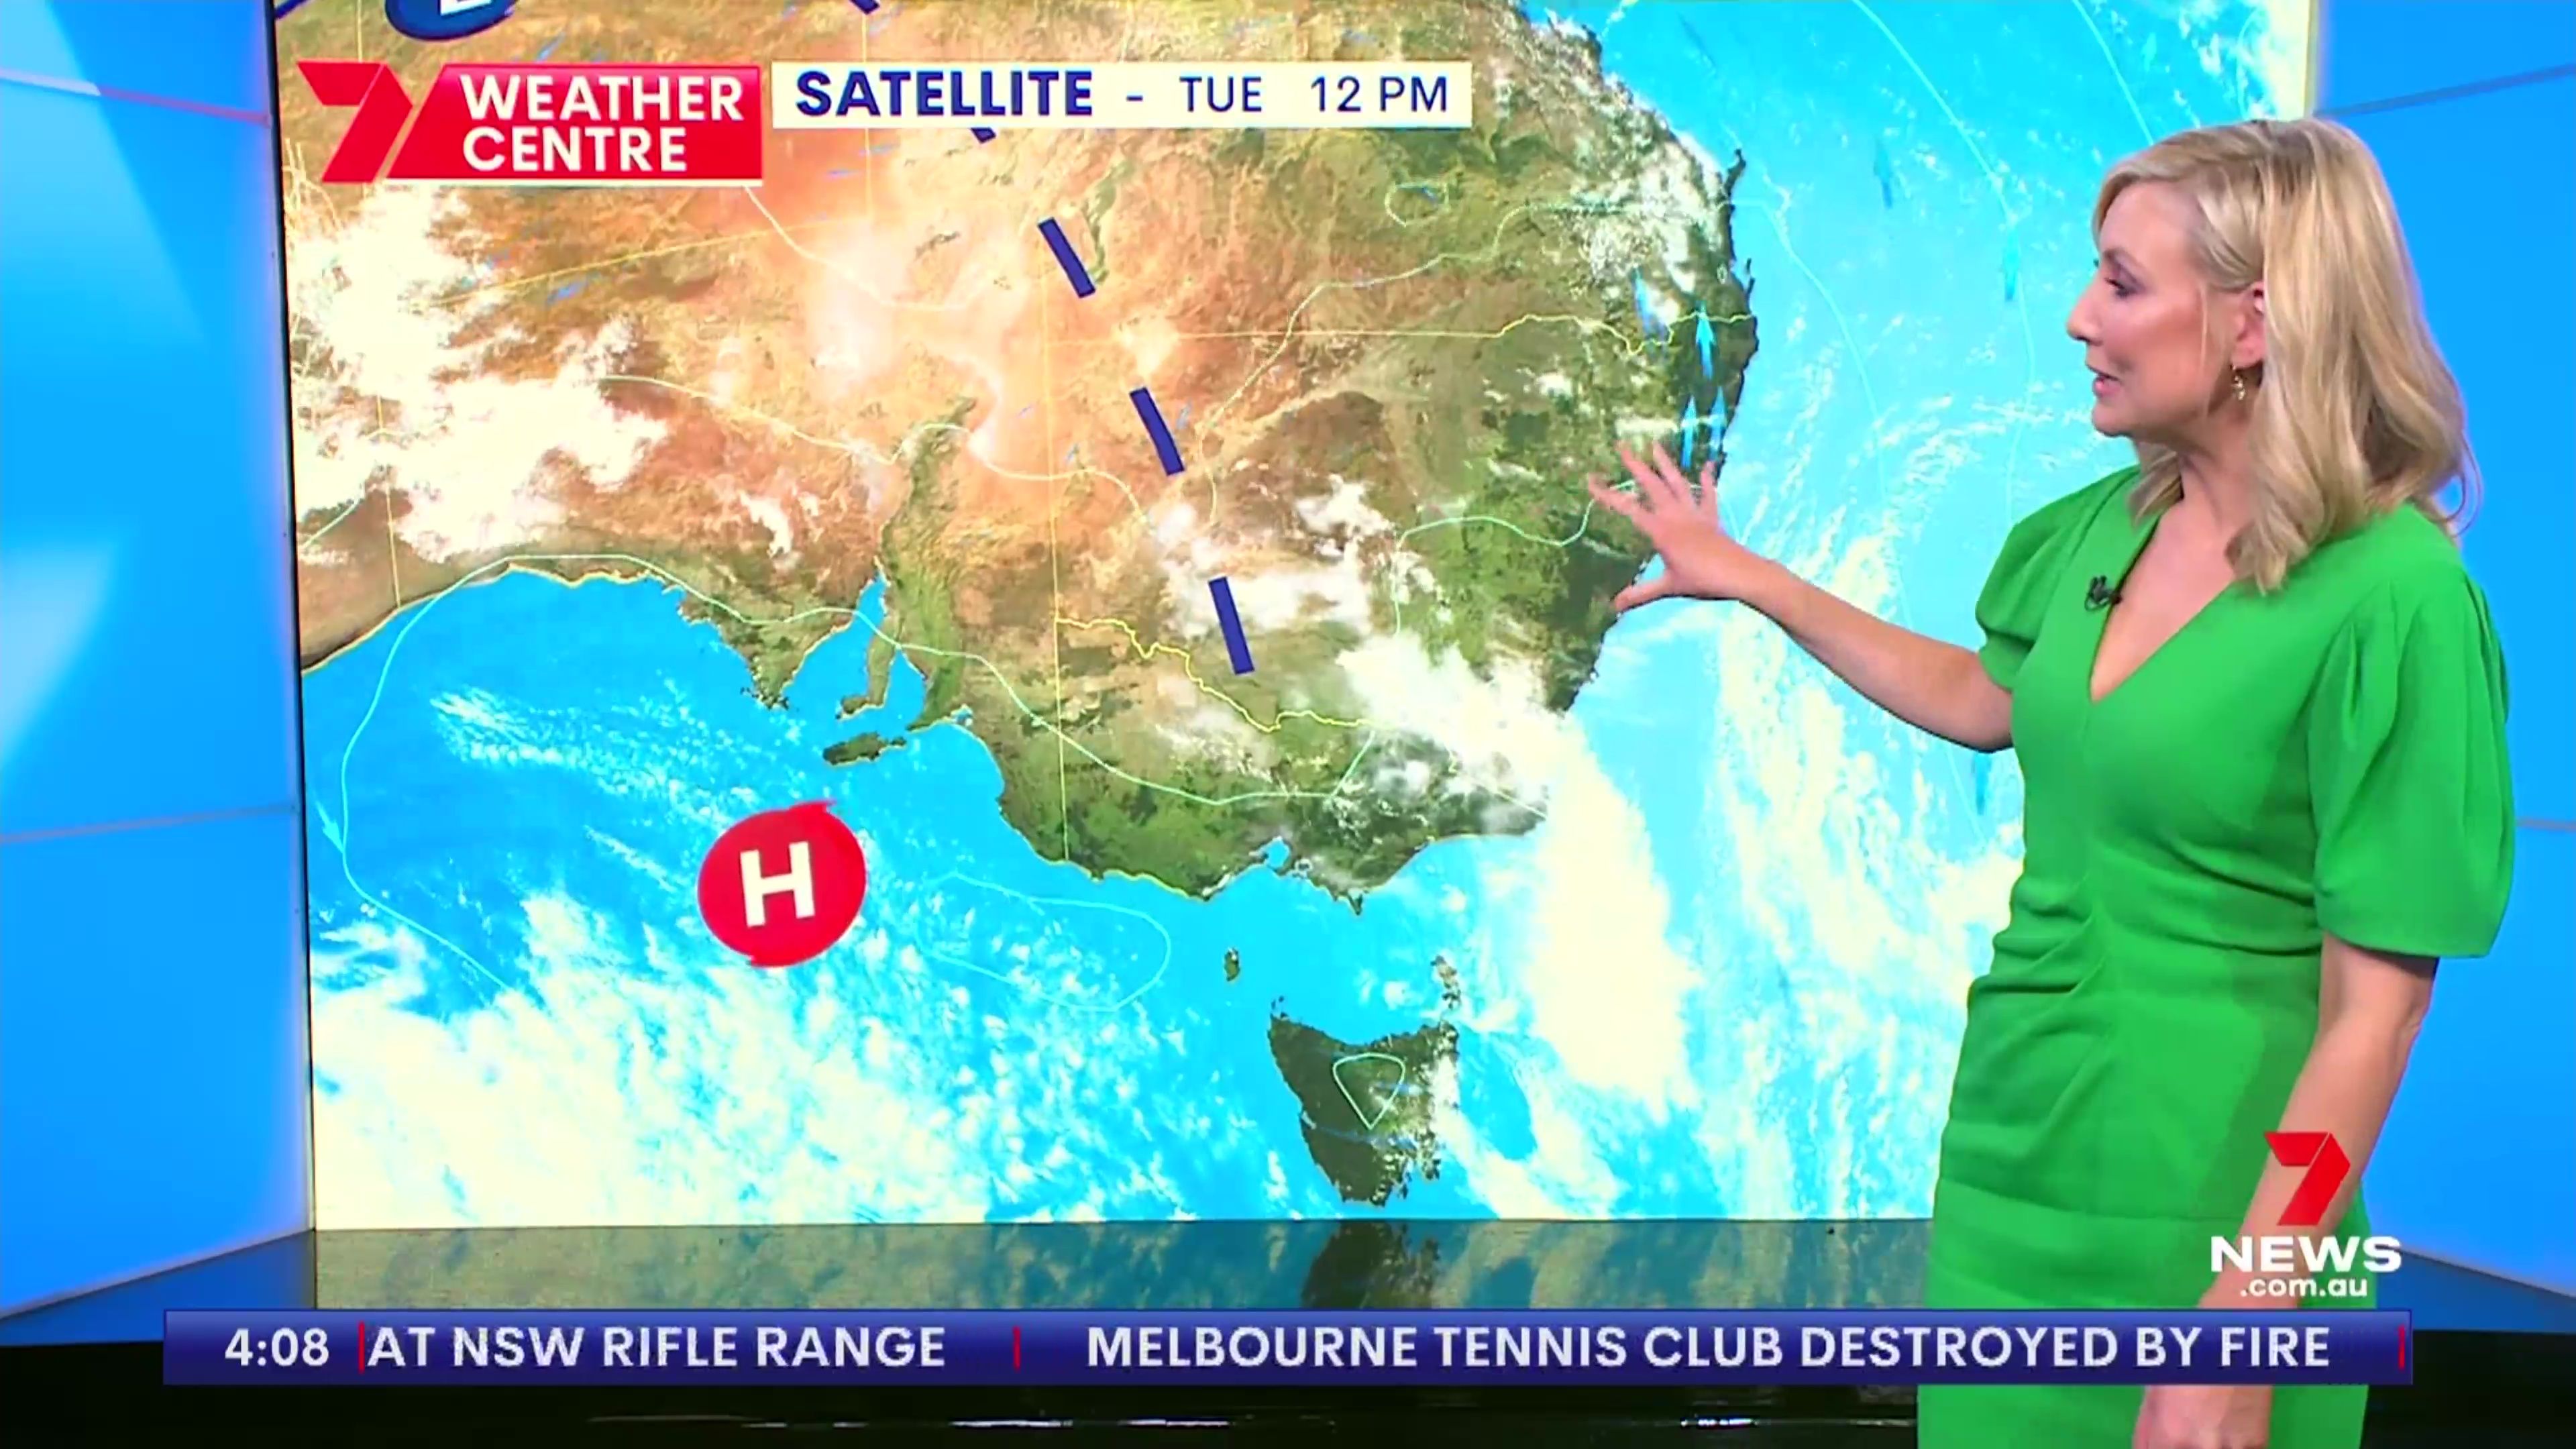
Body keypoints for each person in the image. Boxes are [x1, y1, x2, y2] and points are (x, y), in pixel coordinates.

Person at [1588, 117, 2514, 1448]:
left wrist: (2248, 1321)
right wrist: (1752, 581)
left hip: (2223, 1239)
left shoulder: (2396, 602)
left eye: (2123, 284)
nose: (2081, 316)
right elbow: (1990, 699)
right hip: (2010, 1201)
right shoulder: (2099, 531)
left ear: (2255, 322)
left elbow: (2379, 1015)